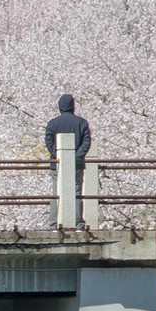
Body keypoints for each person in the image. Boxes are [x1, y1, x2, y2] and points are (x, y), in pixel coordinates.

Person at [43, 93, 91, 229]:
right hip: (77, 164)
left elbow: (49, 142)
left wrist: (58, 156)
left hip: (56, 165)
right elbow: (87, 142)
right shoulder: (82, 123)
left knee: (56, 192)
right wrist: (76, 157)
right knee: (76, 191)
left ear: (60, 106)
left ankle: (53, 223)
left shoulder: (53, 123)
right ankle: (78, 222)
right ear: (73, 106)